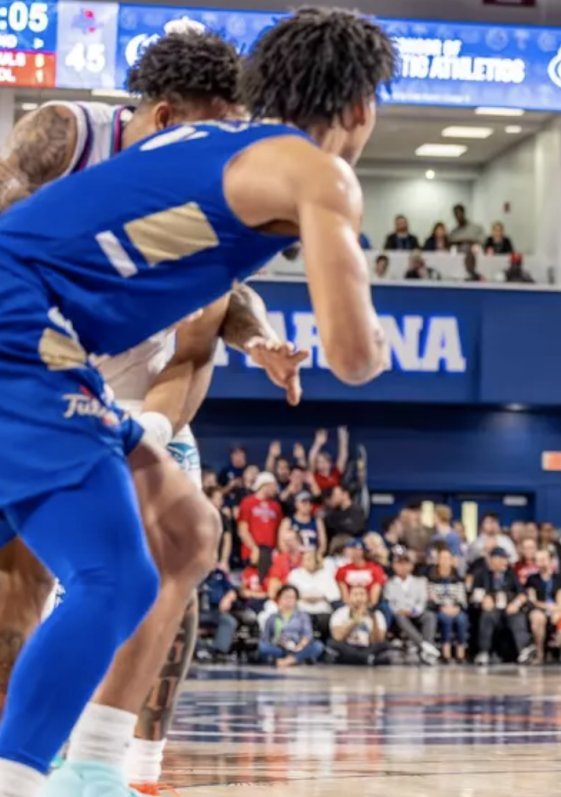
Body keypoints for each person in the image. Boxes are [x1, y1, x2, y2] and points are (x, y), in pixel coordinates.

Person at [0, 9, 394, 796]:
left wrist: (251, 336)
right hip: (24, 327)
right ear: (360, 108)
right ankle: (22, 777)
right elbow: (354, 359)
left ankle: (97, 766)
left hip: (47, 330)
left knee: (183, 533)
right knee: (112, 575)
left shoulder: (205, 141)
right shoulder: (318, 172)